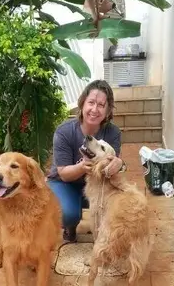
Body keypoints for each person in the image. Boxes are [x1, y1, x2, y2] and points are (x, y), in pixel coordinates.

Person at [47, 79, 126, 242]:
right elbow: (63, 174)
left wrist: (119, 165)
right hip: (64, 182)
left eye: (101, 105)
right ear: (82, 103)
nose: (94, 109)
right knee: (68, 214)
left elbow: (112, 164)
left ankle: (106, 237)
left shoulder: (113, 133)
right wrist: (83, 167)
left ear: (108, 110)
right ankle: (70, 227)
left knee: (117, 204)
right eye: (91, 102)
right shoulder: (64, 132)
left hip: (95, 181)